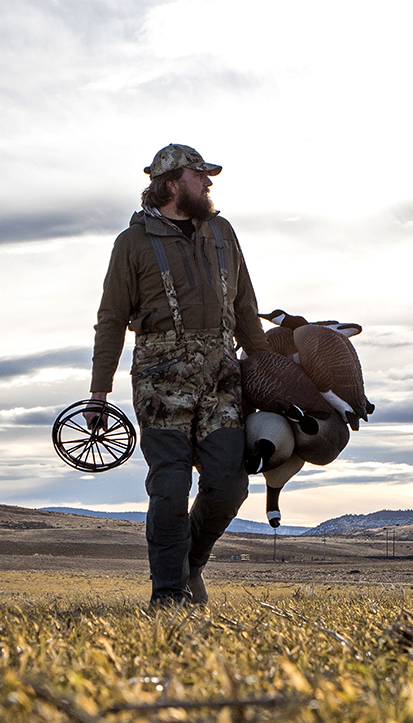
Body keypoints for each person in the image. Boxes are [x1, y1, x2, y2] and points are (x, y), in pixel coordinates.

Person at [86, 143, 269, 610]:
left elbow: (246, 308)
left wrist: (268, 372)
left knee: (229, 484)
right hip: (160, 381)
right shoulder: (132, 244)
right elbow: (111, 319)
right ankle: (168, 596)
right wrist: (99, 392)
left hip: (223, 378)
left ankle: (191, 564)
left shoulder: (223, 233)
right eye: (199, 176)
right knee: (169, 488)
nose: (207, 183)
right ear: (171, 184)